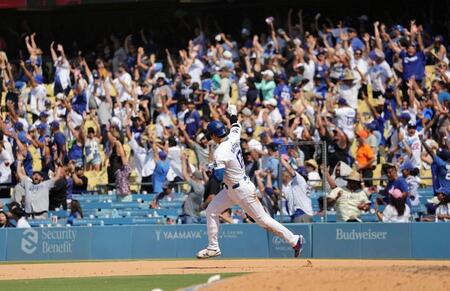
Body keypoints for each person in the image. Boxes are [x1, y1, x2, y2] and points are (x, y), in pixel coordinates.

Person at [196, 104, 304, 259]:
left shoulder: (220, 152)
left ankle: (295, 240)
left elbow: (218, 178)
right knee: (211, 211)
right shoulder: (233, 135)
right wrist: (232, 112)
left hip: (241, 190)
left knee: (264, 221)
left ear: (214, 135)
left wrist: (211, 168)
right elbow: (235, 123)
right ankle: (213, 247)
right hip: (231, 189)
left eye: (210, 134)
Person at [16, 151, 63, 219]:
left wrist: (59, 166)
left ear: (42, 178)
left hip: (41, 215)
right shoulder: (27, 182)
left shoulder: (46, 184)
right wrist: (19, 161)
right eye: (34, 175)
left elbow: (57, 177)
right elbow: (19, 173)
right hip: (28, 215)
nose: (36, 176)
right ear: (32, 177)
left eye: (38, 175)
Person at [280, 157, 313, 223]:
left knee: (301, 233)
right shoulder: (296, 185)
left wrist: (280, 158)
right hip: (300, 213)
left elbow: (289, 169)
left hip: (302, 213)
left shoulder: (300, 180)